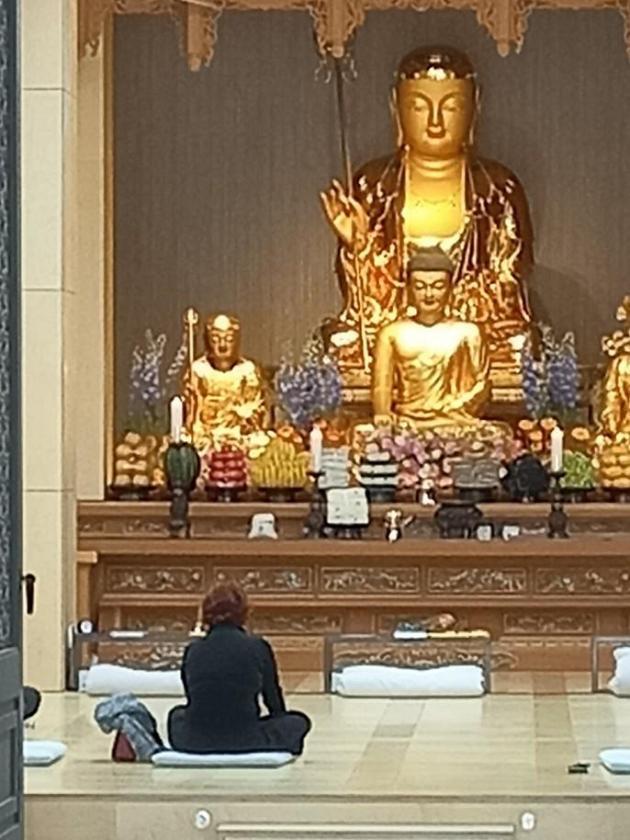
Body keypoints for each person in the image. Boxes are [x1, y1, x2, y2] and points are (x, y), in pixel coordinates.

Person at [167, 582, 311, 755]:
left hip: (196, 741)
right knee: (298, 721)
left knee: (176, 714)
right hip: (246, 738)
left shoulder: (193, 649)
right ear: (244, 613)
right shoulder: (257, 647)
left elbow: (193, 697)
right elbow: (274, 702)